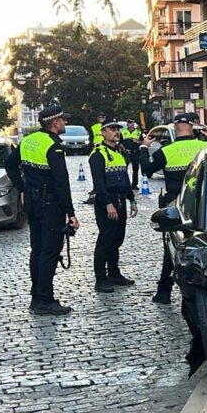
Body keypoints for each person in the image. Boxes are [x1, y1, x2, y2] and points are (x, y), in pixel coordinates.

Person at [5, 106, 81, 315]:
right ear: (55, 123)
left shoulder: (28, 141)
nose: (65, 123)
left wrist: (22, 187)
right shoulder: (53, 146)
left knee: (37, 250)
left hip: (32, 202)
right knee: (50, 251)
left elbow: (10, 163)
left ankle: (36, 295)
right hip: (50, 205)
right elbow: (61, 182)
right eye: (63, 120)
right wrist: (70, 212)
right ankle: (44, 299)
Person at [142, 112, 207, 304]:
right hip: (206, 203)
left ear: (175, 128)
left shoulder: (167, 150)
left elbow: (146, 169)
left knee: (172, 248)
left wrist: (144, 147)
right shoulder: (204, 146)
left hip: (176, 206)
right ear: (193, 127)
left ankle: (164, 292)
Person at [89, 121, 137, 293]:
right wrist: (108, 204)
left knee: (117, 239)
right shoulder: (98, 154)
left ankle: (114, 273)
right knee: (106, 240)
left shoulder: (120, 152)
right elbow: (99, 184)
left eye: (117, 129)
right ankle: (101, 278)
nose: (116, 132)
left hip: (121, 201)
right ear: (103, 132)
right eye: (112, 129)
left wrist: (132, 199)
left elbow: (125, 178)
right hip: (106, 203)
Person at [121, 120, 143, 186]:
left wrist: (137, 141)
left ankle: (134, 184)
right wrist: (123, 149)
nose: (128, 124)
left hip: (135, 152)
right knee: (124, 169)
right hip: (126, 152)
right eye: (127, 122)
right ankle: (125, 183)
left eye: (130, 122)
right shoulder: (123, 132)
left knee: (135, 169)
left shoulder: (138, 132)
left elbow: (142, 142)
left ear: (133, 123)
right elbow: (120, 142)